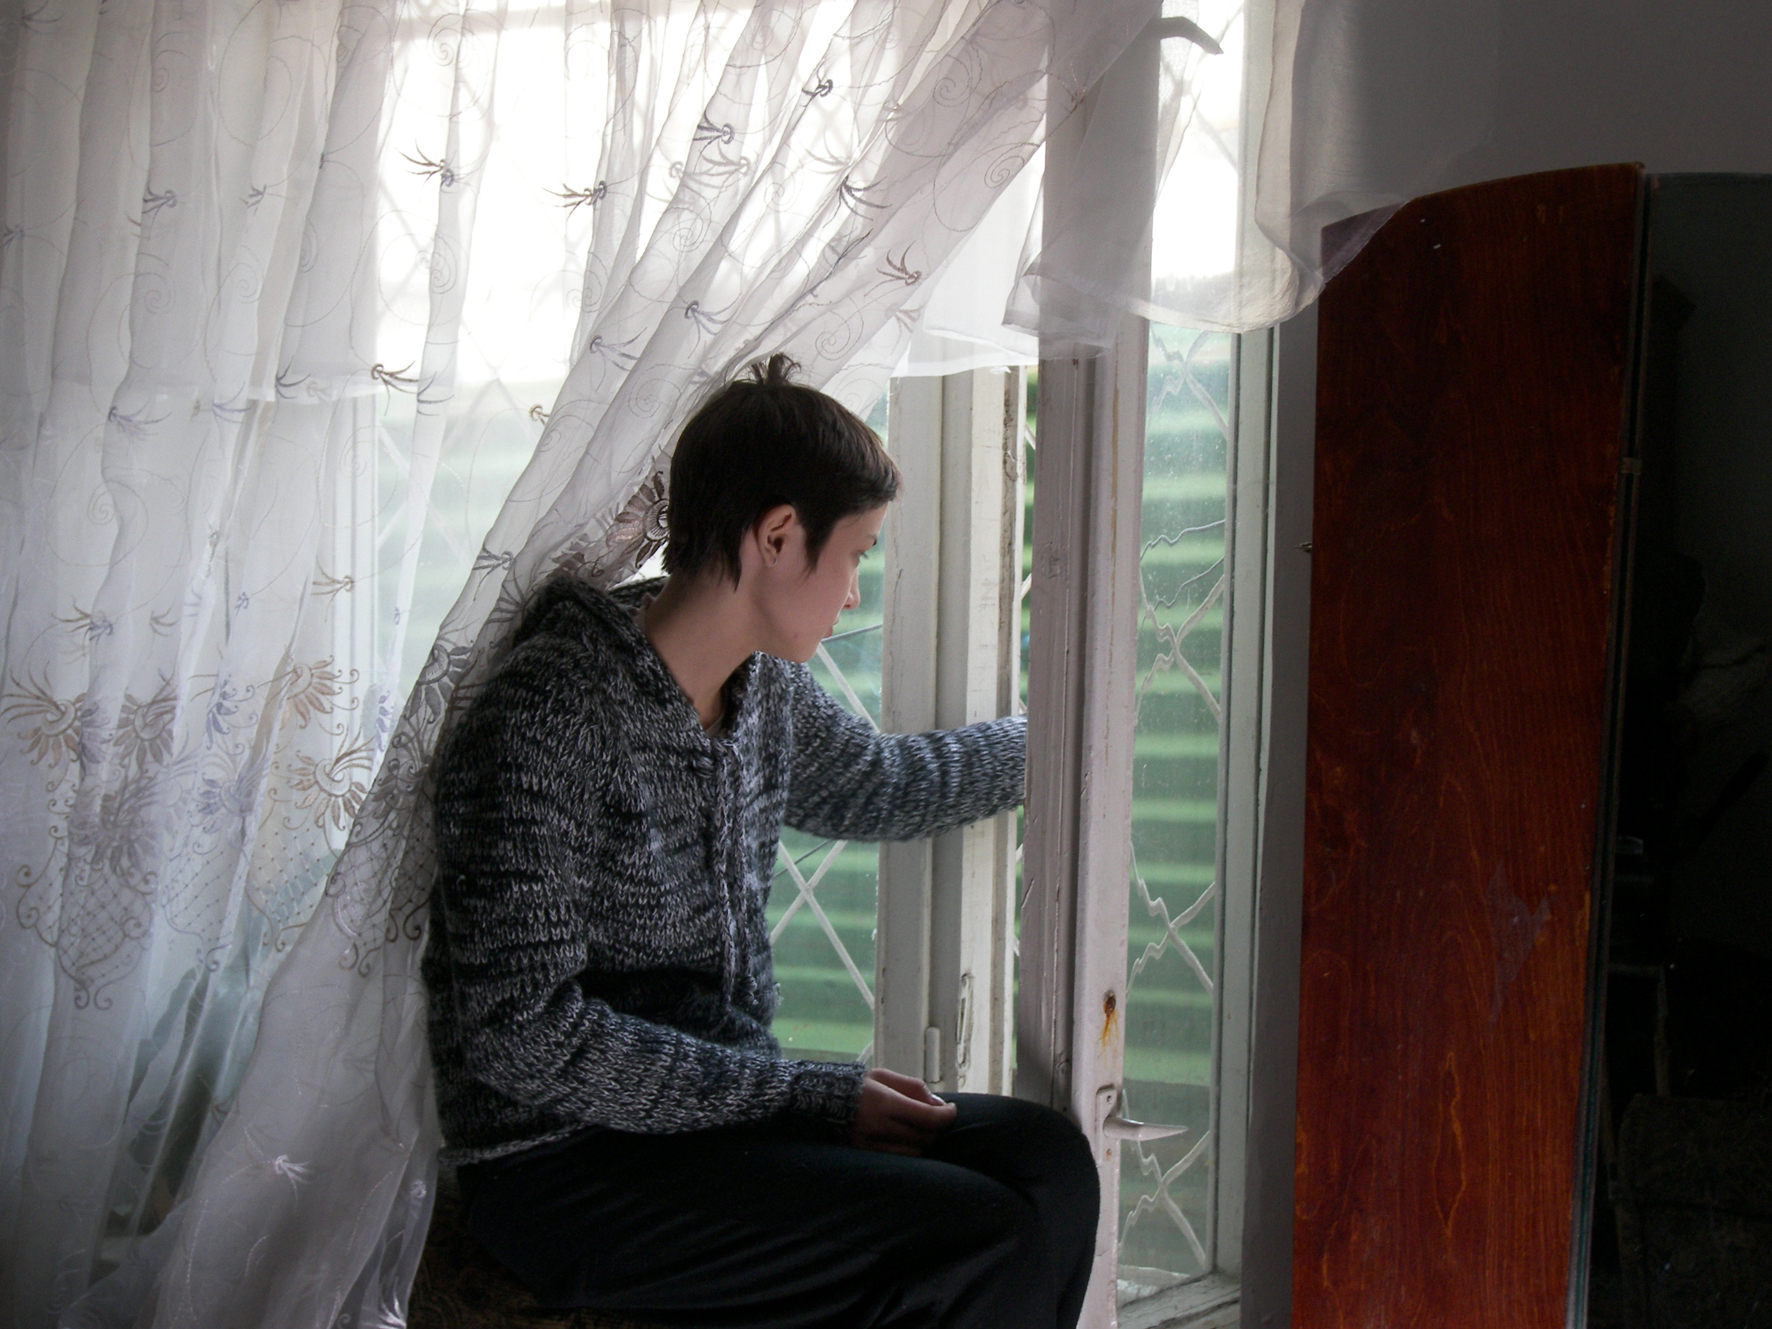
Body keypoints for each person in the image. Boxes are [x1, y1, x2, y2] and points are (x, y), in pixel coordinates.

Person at [422, 354, 1100, 1329]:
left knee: (1048, 1164)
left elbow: (881, 784)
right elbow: (521, 1037)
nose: (854, 593)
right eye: (855, 554)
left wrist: (1064, 741)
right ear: (778, 535)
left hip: (715, 1118)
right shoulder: (549, 713)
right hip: (561, 1161)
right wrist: (809, 1094)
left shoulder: (761, 689)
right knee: (982, 1232)